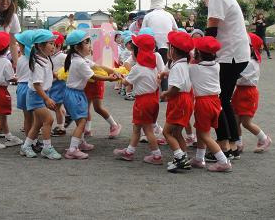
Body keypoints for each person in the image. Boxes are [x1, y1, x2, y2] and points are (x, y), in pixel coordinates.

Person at [197, 0, 250, 159]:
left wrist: (201, 54)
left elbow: (211, 32)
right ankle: (234, 145)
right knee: (224, 99)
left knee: (218, 99)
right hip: (236, 54)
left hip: (231, 56)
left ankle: (224, 147)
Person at [63, 30, 119, 159]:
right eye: (86, 43)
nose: (90, 45)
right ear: (77, 47)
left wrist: (115, 71)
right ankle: (72, 149)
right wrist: (110, 79)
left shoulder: (79, 59)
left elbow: (97, 66)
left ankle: (80, 142)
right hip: (74, 94)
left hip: (74, 93)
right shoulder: (80, 62)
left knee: (80, 121)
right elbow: (94, 76)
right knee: (82, 122)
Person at [113, 34, 163, 164]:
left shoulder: (137, 68)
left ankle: (156, 156)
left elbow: (126, 83)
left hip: (143, 102)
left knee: (147, 130)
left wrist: (120, 76)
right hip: (152, 99)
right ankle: (129, 152)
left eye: (133, 50)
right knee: (137, 128)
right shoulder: (153, 66)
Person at [189, 36, 232, 172]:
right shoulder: (216, 65)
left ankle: (223, 161)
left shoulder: (193, 68)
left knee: (204, 135)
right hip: (215, 101)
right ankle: (199, 158)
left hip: (203, 103)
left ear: (199, 54)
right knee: (202, 130)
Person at [21, 29, 62, 159]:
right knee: (49, 119)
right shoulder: (38, 62)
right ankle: (47, 148)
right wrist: (47, 99)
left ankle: (26, 146)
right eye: (50, 43)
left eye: (53, 43)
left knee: (38, 124)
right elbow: (37, 85)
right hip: (36, 96)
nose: (53, 46)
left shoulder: (45, 58)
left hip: (40, 95)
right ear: (40, 46)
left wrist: (55, 75)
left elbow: (46, 76)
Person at [160, 31, 194, 172]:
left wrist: (165, 94)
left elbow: (175, 88)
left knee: (167, 132)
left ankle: (180, 157)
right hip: (186, 99)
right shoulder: (184, 64)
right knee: (177, 132)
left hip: (179, 100)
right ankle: (184, 157)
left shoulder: (177, 67)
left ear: (173, 50)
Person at [232, 33, 272, 153]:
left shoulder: (250, 63)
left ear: (252, 48)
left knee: (246, 122)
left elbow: (236, 76)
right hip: (239, 91)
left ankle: (264, 139)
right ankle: (238, 143)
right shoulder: (245, 60)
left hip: (248, 93)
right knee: (235, 120)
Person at [141, 0, 178, 91]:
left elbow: (142, 32)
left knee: (152, 67)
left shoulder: (148, 16)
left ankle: (151, 89)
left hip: (152, 45)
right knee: (165, 66)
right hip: (167, 44)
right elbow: (175, 30)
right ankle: (165, 89)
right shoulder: (169, 15)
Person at [14, 30, 36, 145]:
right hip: (32, 88)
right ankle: (33, 140)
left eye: (19, 45)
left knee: (27, 118)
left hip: (21, 87)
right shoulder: (36, 59)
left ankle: (29, 140)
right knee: (36, 119)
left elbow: (18, 75)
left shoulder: (20, 59)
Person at [50, 31, 68, 137]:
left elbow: (67, 69)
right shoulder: (51, 56)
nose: (51, 48)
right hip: (52, 84)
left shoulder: (62, 56)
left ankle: (61, 127)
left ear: (59, 45)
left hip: (59, 84)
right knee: (55, 106)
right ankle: (62, 117)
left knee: (56, 106)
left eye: (53, 45)